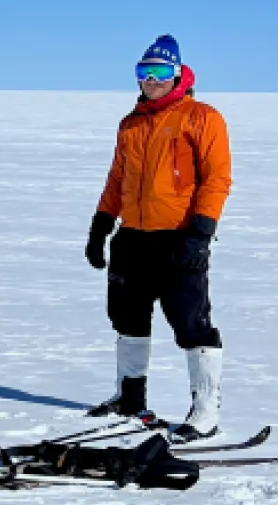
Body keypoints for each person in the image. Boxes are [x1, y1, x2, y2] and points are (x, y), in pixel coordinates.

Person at [81, 34, 233, 442]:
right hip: (132, 238)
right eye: (144, 72)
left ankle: (205, 412)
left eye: (161, 72)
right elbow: (117, 179)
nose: (152, 80)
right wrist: (101, 226)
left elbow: (217, 179)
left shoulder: (202, 118)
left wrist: (201, 233)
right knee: (127, 318)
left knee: (191, 323)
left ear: (178, 73)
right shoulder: (130, 123)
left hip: (179, 238)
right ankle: (129, 399)